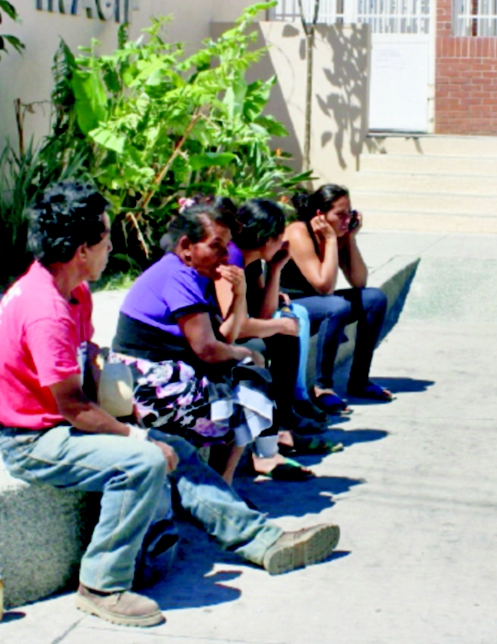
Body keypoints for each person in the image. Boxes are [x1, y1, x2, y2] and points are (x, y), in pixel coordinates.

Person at [0, 181, 340, 628]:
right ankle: (101, 585)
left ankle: (261, 540)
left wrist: (112, 387)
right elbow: (73, 407)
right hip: (32, 439)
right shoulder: (45, 308)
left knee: (179, 450)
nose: (112, 248)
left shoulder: (73, 292)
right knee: (144, 459)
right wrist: (137, 435)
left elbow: (83, 357)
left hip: (57, 424)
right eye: (107, 239)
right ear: (81, 250)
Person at [110, 199, 271, 484]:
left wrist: (240, 293)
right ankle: (223, 486)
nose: (224, 255)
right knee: (250, 380)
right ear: (186, 247)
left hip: (161, 373)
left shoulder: (194, 275)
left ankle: (223, 483)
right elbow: (208, 349)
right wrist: (244, 354)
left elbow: (225, 337)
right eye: (215, 246)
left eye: (227, 247)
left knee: (248, 367)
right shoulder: (178, 276)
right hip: (147, 386)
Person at [215, 198, 340, 481]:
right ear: (267, 238)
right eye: (279, 237)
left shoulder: (254, 262)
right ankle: (265, 451)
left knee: (284, 337)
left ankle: (282, 426)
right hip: (214, 337)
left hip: (232, 332)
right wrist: (278, 324)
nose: (284, 242)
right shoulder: (230, 258)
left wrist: (275, 270)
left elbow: (264, 312)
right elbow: (235, 326)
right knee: (264, 344)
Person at [281, 184, 393, 414]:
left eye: (350, 213)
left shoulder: (338, 234)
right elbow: (324, 286)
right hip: (291, 305)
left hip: (322, 302)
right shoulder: (298, 232)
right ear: (320, 215)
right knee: (336, 306)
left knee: (375, 299)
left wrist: (349, 238)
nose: (347, 219)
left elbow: (359, 281)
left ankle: (359, 380)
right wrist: (331, 242)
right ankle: (322, 388)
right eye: (340, 214)